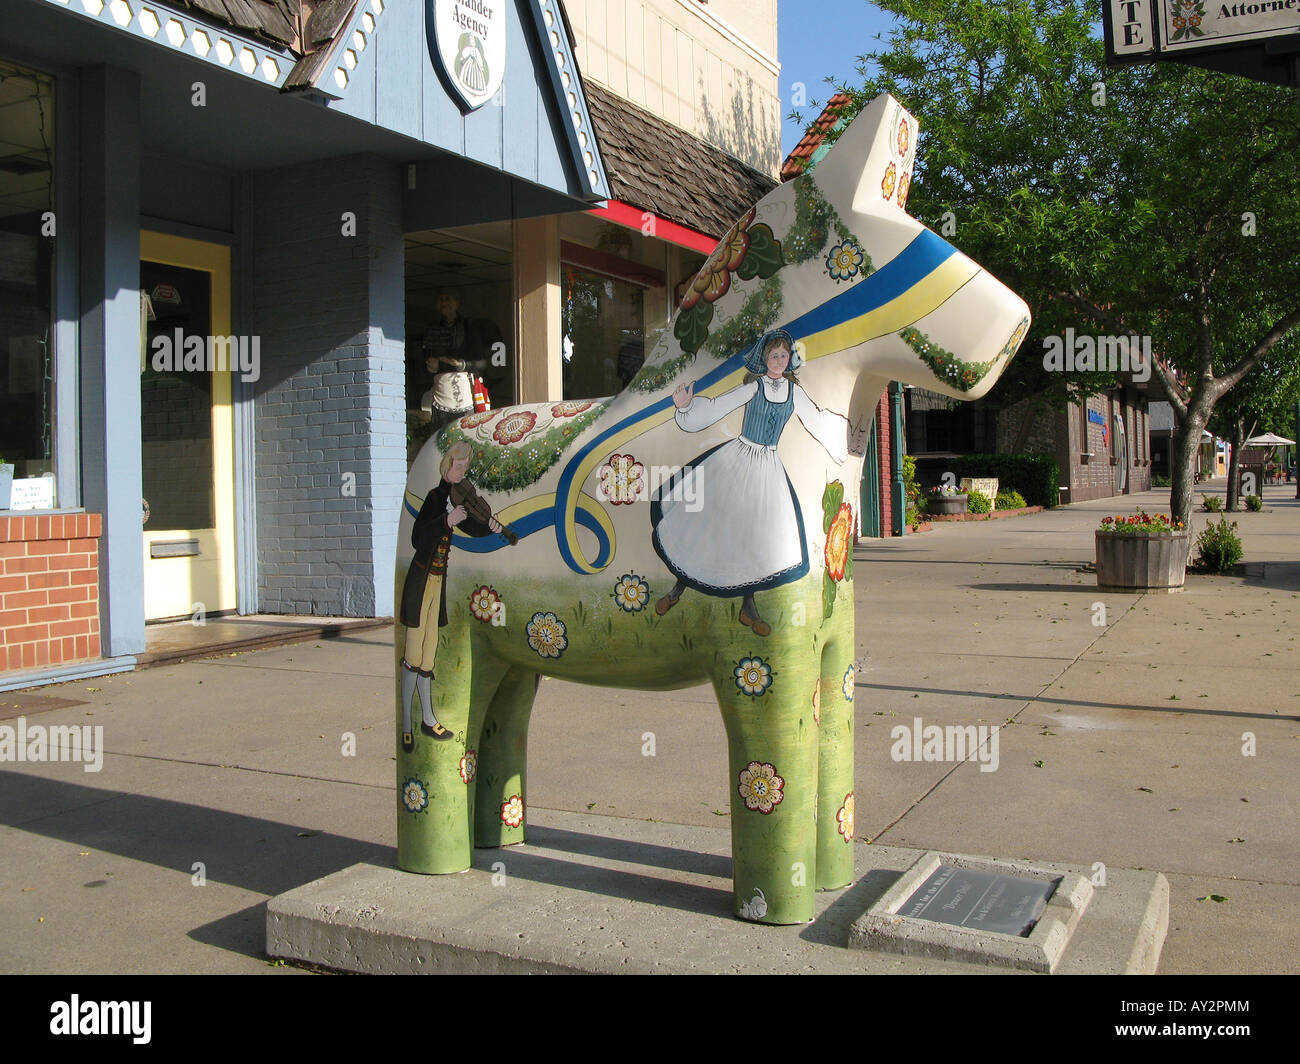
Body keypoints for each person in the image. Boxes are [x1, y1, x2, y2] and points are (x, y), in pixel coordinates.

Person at [650, 329, 848, 636]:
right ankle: (677, 591)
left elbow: (817, 420)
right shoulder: (754, 388)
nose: (780, 360)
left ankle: (748, 608)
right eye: (774, 355)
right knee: (709, 523)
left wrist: (847, 437)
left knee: (755, 537)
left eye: (784, 355)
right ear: (764, 359)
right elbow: (719, 406)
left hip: (768, 468)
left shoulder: (795, 393)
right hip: (738, 458)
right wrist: (687, 407)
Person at [399, 441, 503, 750]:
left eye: (466, 468)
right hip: (421, 579)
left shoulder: (458, 498)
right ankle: (407, 721)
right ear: (447, 466)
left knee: (429, 650)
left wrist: (491, 527)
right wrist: (446, 521)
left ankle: (428, 718)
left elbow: (471, 524)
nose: (463, 473)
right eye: (459, 467)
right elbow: (419, 536)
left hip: (437, 580)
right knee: (414, 650)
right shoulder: (435, 498)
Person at [417, 292, 504, 432]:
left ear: (457, 303)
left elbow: (481, 363)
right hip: (441, 393)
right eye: (441, 299)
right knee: (441, 436)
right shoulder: (432, 329)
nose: (444, 303)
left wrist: (459, 364)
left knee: (466, 434)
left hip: (465, 394)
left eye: (448, 298)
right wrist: (431, 366)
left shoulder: (469, 327)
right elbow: (424, 361)